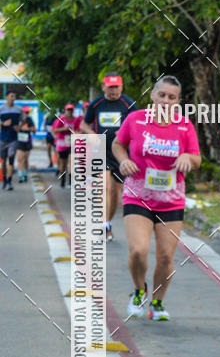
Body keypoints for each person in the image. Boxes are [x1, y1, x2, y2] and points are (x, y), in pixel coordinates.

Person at [112, 76, 201, 321]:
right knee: (138, 251)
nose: (165, 101)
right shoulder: (135, 119)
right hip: (137, 195)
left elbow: (196, 158)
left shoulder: (184, 126)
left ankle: (158, 302)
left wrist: (187, 158)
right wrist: (124, 160)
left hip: (171, 200)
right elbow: (118, 144)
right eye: (161, 95)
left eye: (172, 97)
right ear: (152, 96)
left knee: (165, 257)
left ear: (178, 101)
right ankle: (139, 290)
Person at [81, 74, 135, 241]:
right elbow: (84, 124)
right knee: (103, 188)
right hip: (101, 149)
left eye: (117, 87)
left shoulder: (129, 104)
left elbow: (137, 126)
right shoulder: (96, 104)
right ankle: (102, 223)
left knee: (115, 191)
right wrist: (91, 134)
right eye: (110, 87)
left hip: (120, 152)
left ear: (122, 86)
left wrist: (126, 134)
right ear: (104, 87)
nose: (114, 90)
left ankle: (108, 222)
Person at [51, 104, 80, 187]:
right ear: (66, 110)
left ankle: (70, 181)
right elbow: (55, 130)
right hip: (62, 143)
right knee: (63, 163)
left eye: (71, 110)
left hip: (72, 143)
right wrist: (63, 129)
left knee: (72, 162)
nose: (70, 112)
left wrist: (75, 132)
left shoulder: (76, 120)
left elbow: (78, 129)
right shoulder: (62, 119)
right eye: (68, 110)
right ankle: (63, 179)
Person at [0, 92, 22, 191]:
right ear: (6, 97)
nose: (13, 98)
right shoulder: (1, 109)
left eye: (14, 96)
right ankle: (4, 180)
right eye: (11, 96)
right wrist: (3, 123)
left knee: (11, 158)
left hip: (14, 138)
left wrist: (19, 127)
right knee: (3, 161)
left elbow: (22, 120)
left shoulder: (18, 109)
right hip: (2, 138)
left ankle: (9, 181)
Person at [16, 106, 36, 182]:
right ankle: (20, 176)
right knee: (20, 158)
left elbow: (34, 130)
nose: (26, 114)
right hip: (20, 141)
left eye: (27, 112)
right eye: (25, 112)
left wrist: (28, 129)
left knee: (26, 159)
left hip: (27, 141)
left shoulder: (30, 120)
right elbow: (15, 129)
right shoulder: (18, 120)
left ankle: (25, 174)